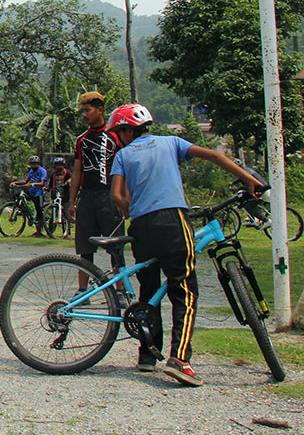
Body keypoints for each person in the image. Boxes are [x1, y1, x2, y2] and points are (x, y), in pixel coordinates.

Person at [107, 103, 263, 386]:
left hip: (141, 226)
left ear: (128, 130)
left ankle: (147, 355)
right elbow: (215, 155)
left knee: (149, 289)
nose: (119, 137)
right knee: (184, 289)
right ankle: (179, 359)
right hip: (172, 220)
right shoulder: (172, 142)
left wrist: (130, 209)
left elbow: (116, 196)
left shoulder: (123, 155)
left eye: (119, 132)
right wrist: (248, 179)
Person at [68, 91, 124, 264]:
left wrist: (124, 199)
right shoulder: (81, 140)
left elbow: (124, 168)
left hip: (109, 195)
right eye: (83, 111)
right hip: (87, 196)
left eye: (88, 110)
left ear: (100, 110)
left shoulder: (115, 137)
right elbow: (77, 172)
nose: (84, 115)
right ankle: (82, 289)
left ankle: (120, 288)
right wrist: (71, 202)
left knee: (116, 247)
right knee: (85, 248)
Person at [10, 156, 48, 237]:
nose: (33, 166)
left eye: (34, 164)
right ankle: (23, 210)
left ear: (38, 164)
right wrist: (16, 183)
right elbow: (25, 181)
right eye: (31, 164)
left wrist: (34, 184)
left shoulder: (42, 171)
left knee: (39, 210)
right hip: (32, 191)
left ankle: (39, 231)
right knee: (17, 195)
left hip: (39, 192)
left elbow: (42, 183)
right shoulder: (31, 171)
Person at [48, 157, 71, 238]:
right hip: (55, 195)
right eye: (57, 165)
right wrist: (47, 188)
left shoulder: (67, 173)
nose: (58, 167)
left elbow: (71, 179)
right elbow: (50, 184)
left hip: (65, 195)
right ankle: (50, 232)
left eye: (60, 165)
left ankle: (67, 233)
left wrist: (68, 182)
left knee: (65, 213)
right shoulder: (53, 174)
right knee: (53, 213)